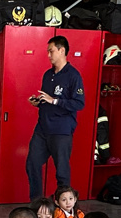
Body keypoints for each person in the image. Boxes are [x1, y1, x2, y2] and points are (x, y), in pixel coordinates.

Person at [25, 35, 85, 200]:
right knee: (32, 164)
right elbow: (47, 100)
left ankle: (63, 205)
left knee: (62, 172)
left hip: (61, 130)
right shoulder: (48, 75)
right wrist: (38, 102)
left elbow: (79, 103)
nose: (48, 55)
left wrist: (55, 101)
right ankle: (37, 202)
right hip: (42, 128)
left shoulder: (73, 75)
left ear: (62, 50)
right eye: (48, 51)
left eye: (51, 51)